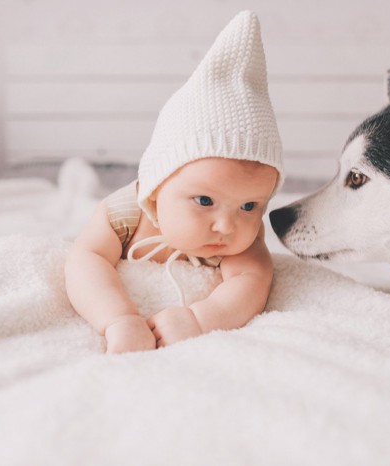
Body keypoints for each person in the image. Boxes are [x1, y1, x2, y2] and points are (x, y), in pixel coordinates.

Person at [65, 11, 284, 354]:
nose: (226, 226)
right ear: (156, 188)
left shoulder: (243, 237)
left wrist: (201, 319)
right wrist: (118, 318)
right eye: (204, 201)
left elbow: (251, 281)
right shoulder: (124, 214)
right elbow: (85, 259)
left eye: (249, 205)